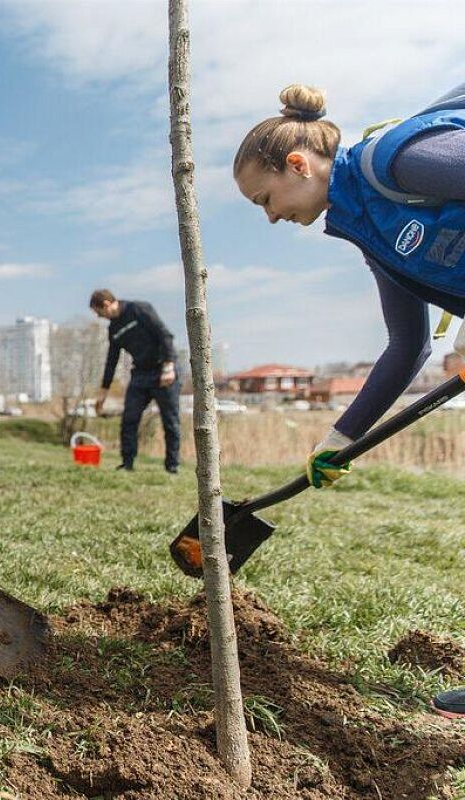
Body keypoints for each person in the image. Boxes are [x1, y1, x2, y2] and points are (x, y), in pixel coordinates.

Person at [233, 83, 465, 720]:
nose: (271, 216)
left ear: (299, 166)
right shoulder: (368, 227)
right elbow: (408, 343)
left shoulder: (395, 160)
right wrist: (341, 438)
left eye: (266, 198)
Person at [90, 289, 180, 473]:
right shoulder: (113, 329)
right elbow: (111, 360)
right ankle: (127, 463)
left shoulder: (138, 309)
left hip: (162, 370)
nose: (100, 317)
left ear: (106, 304)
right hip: (140, 375)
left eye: (99, 313)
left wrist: (168, 366)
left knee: (170, 422)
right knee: (129, 420)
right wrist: (104, 391)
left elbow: (165, 335)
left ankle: (172, 467)